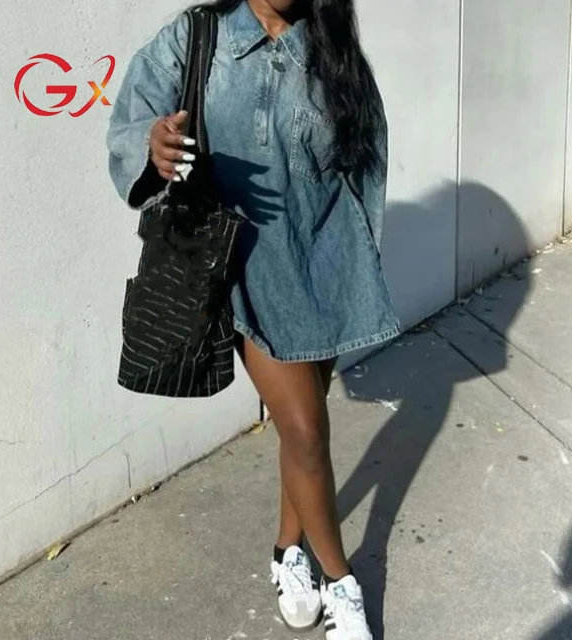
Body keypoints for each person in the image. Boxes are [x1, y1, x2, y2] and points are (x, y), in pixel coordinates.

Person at [106, 0, 402, 637]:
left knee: (301, 432)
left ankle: (286, 549)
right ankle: (341, 582)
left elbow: (367, 156)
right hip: (242, 267)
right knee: (306, 430)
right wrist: (154, 149)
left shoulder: (331, 49)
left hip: (326, 260)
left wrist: (361, 258)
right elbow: (133, 120)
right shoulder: (197, 37)